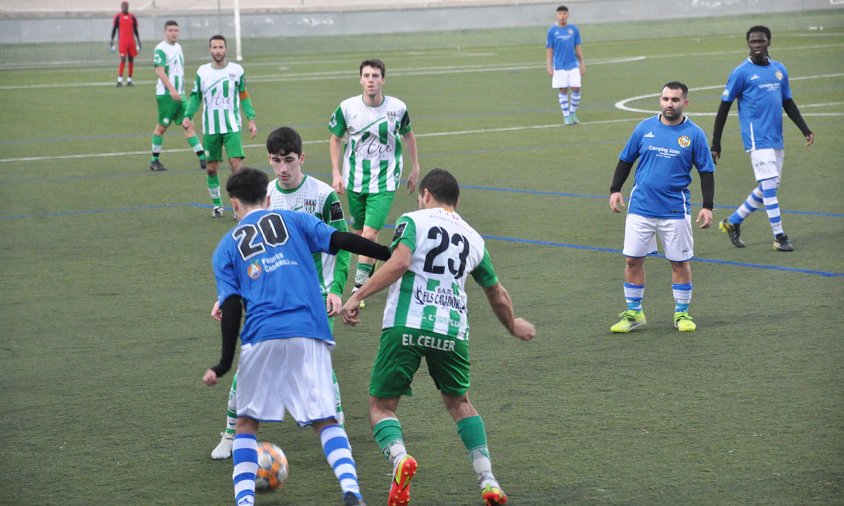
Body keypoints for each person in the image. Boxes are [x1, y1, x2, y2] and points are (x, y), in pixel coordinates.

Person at [340, 168, 536, 506]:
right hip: (451, 331)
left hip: (407, 325)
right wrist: (512, 324)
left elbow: (400, 262)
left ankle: (401, 459)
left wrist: (358, 295)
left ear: (426, 194)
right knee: (460, 403)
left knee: (381, 406)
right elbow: (496, 292)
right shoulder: (474, 238)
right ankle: (488, 479)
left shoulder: (414, 220)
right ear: (456, 202)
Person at [202, 166, 391, 506]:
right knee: (325, 419)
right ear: (269, 197)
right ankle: (351, 490)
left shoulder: (226, 247)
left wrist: (224, 362)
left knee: (246, 425)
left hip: (263, 334)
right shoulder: (295, 220)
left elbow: (230, 308)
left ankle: (244, 502)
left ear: (234, 204)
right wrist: (390, 255)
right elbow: (342, 240)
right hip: (310, 328)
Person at [210, 127, 351, 460]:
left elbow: (342, 245)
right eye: (276, 161)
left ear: (301, 158)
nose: (283, 168)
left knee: (319, 367)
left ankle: (336, 431)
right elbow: (246, 253)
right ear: (269, 161)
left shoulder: (323, 195)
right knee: (249, 365)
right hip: (268, 300)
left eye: (289, 160)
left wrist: (336, 288)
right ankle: (231, 433)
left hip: (314, 297)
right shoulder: (263, 196)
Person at [608, 81, 715, 334]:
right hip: (641, 207)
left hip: (675, 210)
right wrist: (615, 190)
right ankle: (634, 313)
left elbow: (706, 172)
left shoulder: (695, 134)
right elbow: (625, 160)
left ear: (684, 103)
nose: (670, 104)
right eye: (666, 99)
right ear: (660, 100)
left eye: (675, 100)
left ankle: (682, 314)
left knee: (679, 262)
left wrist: (708, 206)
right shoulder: (644, 128)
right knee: (632, 259)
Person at [710, 25, 814, 252]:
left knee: (769, 187)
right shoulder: (740, 73)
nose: (757, 45)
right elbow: (723, 108)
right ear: (748, 44)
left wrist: (804, 129)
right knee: (769, 186)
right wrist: (716, 143)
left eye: (761, 41)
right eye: (753, 42)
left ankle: (732, 222)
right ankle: (780, 236)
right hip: (756, 140)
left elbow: (788, 102)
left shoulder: (779, 70)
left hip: (776, 138)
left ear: (769, 42)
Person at [329, 58, 421, 307]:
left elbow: (408, 135)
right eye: (367, 75)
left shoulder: (397, 108)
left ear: (383, 79)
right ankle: (366, 275)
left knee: (370, 233)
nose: (371, 80)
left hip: (385, 180)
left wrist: (415, 167)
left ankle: (359, 288)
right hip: (355, 180)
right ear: (360, 79)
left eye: (375, 75)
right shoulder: (347, 108)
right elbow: (335, 139)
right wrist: (336, 173)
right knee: (357, 233)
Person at [184, 34, 257, 218]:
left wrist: (251, 118)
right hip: (211, 128)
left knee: (236, 166)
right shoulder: (202, 72)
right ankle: (217, 205)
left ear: (226, 49)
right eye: (214, 47)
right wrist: (188, 115)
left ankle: (238, 206)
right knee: (211, 168)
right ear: (210, 50)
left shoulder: (237, 71)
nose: (218, 51)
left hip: (232, 126)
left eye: (221, 47)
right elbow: (195, 97)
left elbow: (244, 95)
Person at [149, 20, 206, 172]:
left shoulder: (178, 47)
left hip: (180, 95)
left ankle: (202, 157)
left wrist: (179, 91)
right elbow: (159, 71)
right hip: (167, 95)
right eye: (170, 30)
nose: (173, 33)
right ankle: (154, 161)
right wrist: (172, 90)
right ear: (165, 32)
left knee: (188, 123)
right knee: (161, 128)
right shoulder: (161, 48)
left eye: (176, 30)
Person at [546, 5, 585, 126]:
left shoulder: (574, 30)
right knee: (563, 90)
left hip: (573, 64)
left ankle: (572, 113)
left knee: (576, 88)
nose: (562, 16)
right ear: (557, 15)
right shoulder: (552, 31)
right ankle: (566, 116)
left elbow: (577, 47)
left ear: (568, 15)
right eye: (560, 14)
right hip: (559, 66)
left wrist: (582, 63)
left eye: (564, 13)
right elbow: (549, 49)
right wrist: (549, 65)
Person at [110, 1, 141, 87]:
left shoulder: (132, 17)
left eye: (126, 6)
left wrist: (139, 41)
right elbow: (114, 30)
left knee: (131, 60)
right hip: (122, 43)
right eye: (123, 6)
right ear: (121, 7)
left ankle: (129, 81)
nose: (124, 8)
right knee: (123, 60)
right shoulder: (117, 17)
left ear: (128, 7)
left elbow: (135, 30)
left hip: (131, 42)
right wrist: (112, 40)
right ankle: (119, 81)